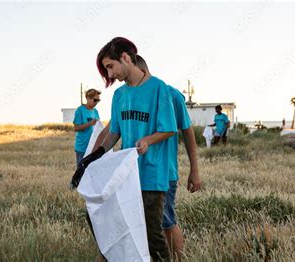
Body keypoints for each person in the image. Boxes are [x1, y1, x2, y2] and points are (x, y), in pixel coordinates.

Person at [75, 37, 176, 261]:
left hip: (151, 174)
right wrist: (94, 156)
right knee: (115, 225)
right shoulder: (120, 95)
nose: (110, 75)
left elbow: (169, 128)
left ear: (125, 57)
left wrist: (148, 140)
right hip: (126, 175)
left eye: (110, 66)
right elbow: (114, 134)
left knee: (151, 234)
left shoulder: (158, 88)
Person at [93, 55, 201, 261]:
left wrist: (194, 170)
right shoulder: (123, 95)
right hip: (131, 173)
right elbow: (111, 129)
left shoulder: (169, 94)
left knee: (165, 223)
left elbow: (187, 132)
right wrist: (93, 158)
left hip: (162, 172)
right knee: (125, 223)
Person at [73, 89, 101, 165]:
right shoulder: (80, 111)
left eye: (98, 100)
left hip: (92, 147)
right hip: (82, 148)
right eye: (95, 100)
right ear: (88, 98)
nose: (96, 102)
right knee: (81, 172)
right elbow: (76, 128)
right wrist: (90, 123)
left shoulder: (95, 111)